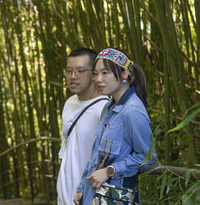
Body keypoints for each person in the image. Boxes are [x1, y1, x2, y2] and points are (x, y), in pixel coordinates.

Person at [74, 48, 156, 205]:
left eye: (105, 73)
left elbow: (148, 157)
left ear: (124, 74)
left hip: (115, 198)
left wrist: (109, 170)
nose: (98, 79)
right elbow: (96, 155)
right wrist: (82, 188)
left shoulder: (132, 111)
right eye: (96, 74)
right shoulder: (109, 106)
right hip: (93, 195)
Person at [57, 48, 109, 205]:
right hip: (64, 196)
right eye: (69, 71)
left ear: (94, 74)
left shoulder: (105, 109)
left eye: (80, 71)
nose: (73, 77)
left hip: (88, 197)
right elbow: (65, 153)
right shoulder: (69, 103)